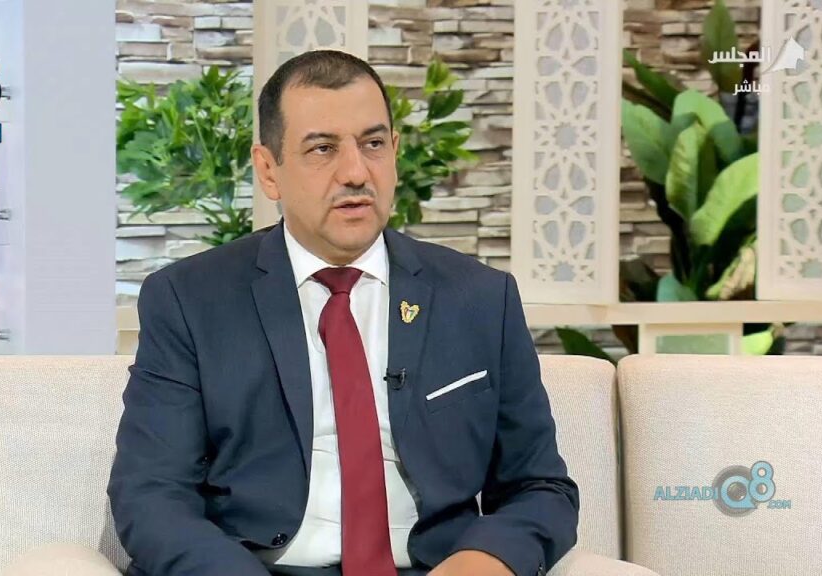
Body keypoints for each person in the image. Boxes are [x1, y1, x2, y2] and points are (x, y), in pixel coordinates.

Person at [107, 50, 578, 576]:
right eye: (322, 149)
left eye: (373, 144)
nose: (355, 172)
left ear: (394, 151)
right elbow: (151, 494)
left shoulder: (480, 298)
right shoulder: (190, 300)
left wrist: (483, 561)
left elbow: (541, 486)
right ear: (268, 170)